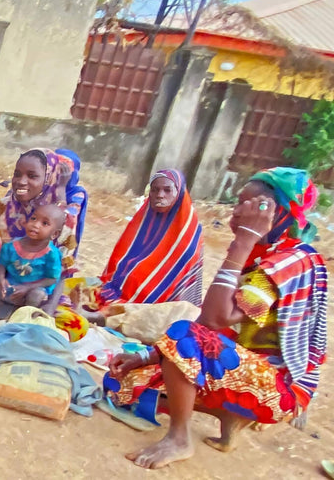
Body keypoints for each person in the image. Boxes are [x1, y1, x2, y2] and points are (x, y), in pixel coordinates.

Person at [105, 168, 327, 470]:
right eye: (239, 203)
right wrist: (145, 357)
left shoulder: (290, 262)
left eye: (250, 205)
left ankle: (179, 438)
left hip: (280, 389)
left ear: (278, 213)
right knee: (122, 385)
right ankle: (230, 417)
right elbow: (219, 328)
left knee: (183, 334)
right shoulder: (264, 254)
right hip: (243, 367)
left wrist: (243, 242)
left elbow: (212, 320)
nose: (237, 211)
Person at [0, 149, 76, 318]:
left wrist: (50, 306)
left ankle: (15, 317)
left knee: (74, 324)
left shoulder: (61, 221)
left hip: (32, 295)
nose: (21, 182)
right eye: (17, 174)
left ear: (48, 178)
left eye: (32, 176)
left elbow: (62, 272)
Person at [75, 169, 203, 325]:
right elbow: (123, 257)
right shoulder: (145, 219)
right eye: (155, 190)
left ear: (180, 192)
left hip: (157, 303)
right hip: (120, 291)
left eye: (167, 190)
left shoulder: (188, 231)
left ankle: (109, 316)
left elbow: (171, 276)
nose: (160, 195)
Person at [0, 204, 65, 320]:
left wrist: (28, 288)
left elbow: (52, 279)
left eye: (44, 223)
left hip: (33, 289)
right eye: (33, 219)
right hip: (11, 284)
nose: (35, 225)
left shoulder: (51, 254)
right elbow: (2, 265)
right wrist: (1, 280)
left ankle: (22, 323)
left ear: (54, 234)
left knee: (36, 295)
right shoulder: (12, 246)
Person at [55, 148, 89, 254]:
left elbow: (67, 219)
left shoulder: (77, 193)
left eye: (65, 170)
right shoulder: (43, 186)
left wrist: (61, 188)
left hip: (58, 247)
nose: (58, 174)